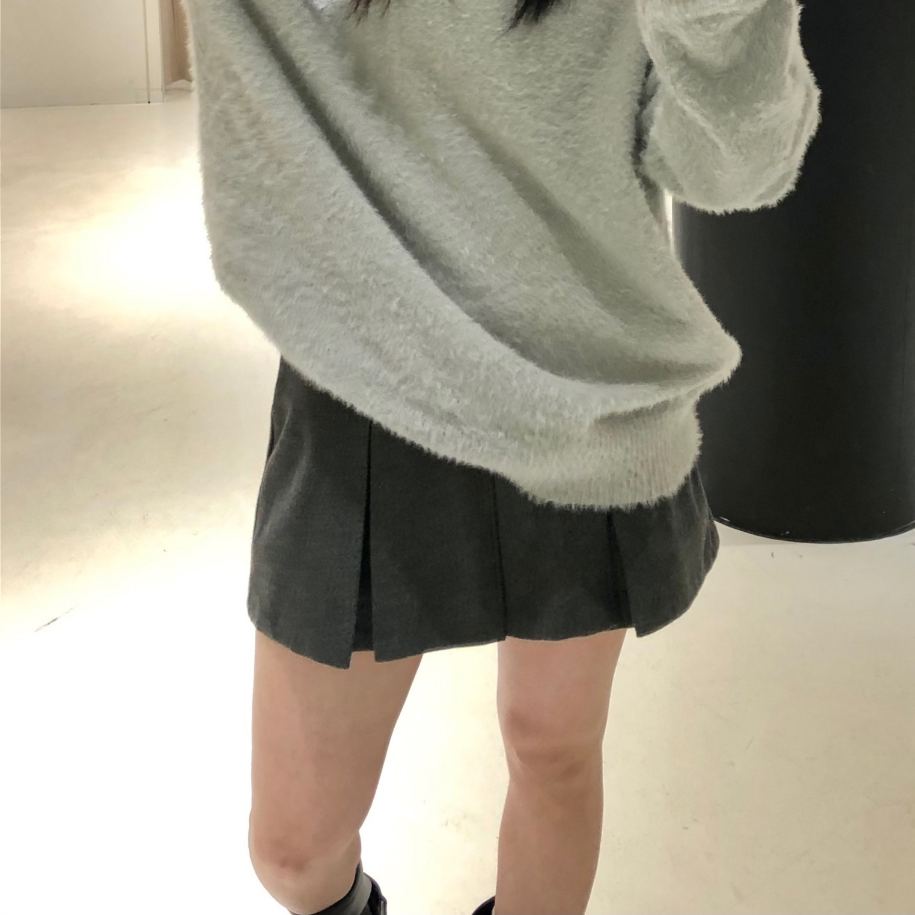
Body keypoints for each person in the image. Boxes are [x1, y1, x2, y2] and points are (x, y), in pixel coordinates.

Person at [183, 0, 822, 912]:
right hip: (371, 364)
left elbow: (730, 168)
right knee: (293, 847)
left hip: (582, 373)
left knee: (551, 749)